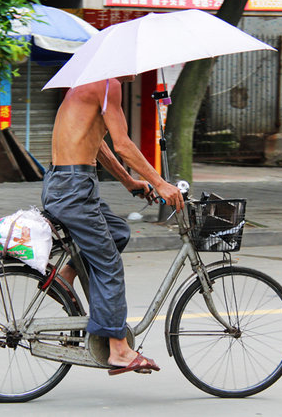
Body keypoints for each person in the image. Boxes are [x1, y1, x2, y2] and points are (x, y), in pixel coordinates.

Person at [41, 76, 184, 375]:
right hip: (74, 188)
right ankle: (118, 349)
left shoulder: (80, 87)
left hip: (65, 183)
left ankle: (65, 279)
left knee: (118, 232)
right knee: (108, 265)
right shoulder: (109, 85)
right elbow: (122, 145)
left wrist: (129, 181)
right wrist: (161, 183)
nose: (135, 72)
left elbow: (99, 147)